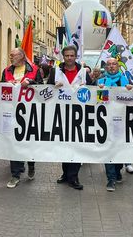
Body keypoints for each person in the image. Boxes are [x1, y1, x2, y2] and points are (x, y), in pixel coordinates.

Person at [47, 45, 93, 190]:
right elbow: (46, 90)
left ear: (76, 56)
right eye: (66, 56)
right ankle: (65, 174)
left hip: (79, 115)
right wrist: (54, 86)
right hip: (60, 113)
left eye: (72, 55)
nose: (69, 58)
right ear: (63, 56)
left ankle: (74, 177)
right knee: (63, 145)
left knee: (76, 146)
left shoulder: (83, 73)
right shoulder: (55, 71)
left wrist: (87, 86)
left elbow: (94, 90)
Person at [1, 48, 43, 188]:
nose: (10, 56)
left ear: (22, 56)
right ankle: (15, 175)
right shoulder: (6, 71)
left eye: (13, 55)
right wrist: (8, 85)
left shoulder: (34, 70)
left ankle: (31, 164)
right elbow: (1, 87)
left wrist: (30, 82)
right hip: (12, 112)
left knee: (28, 142)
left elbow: (41, 88)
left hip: (30, 112)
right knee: (14, 143)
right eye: (10, 54)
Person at [98, 57, 133, 192]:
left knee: (119, 149)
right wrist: (100, 91)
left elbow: (131, 101)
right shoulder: (101, 81)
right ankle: (111, 179)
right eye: (109, 65)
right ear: (106, 67)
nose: (112, 66)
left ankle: (118, 170)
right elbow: (100, 102)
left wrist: (131, 90)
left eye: (114, 64)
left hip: (122, 121)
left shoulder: (125, 80)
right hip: (106, 121)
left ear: (118, 66)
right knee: (108, 150)